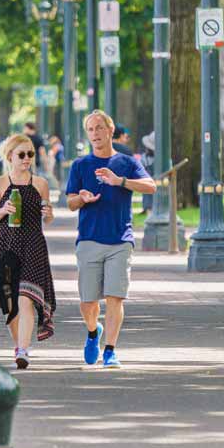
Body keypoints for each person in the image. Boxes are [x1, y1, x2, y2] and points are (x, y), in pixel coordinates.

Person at [64, 109, 156, 368]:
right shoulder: (80, 165)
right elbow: (70, 202)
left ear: (110, 131)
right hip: (89, 239)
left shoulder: (126, 162)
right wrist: (81, 198)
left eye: (99, 128)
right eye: (90, 129)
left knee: (115, 297)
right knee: (87, 303)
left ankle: (110, 351)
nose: (95, 134)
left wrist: (121, 181)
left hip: (120, 240)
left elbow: (151, 186)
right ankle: (94, 332)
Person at [0, 132, 56, 369]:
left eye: (30, 154)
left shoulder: (40, 184)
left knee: (26, 298)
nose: (27, 159)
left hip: (34, 246)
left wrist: (49, 215)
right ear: (10, 156)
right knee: (10, 303)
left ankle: (24, 350)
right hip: (8, 246)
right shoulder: (0, 184)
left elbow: (48, 216)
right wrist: (3, 210)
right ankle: (19, 347)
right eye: (22, 154)